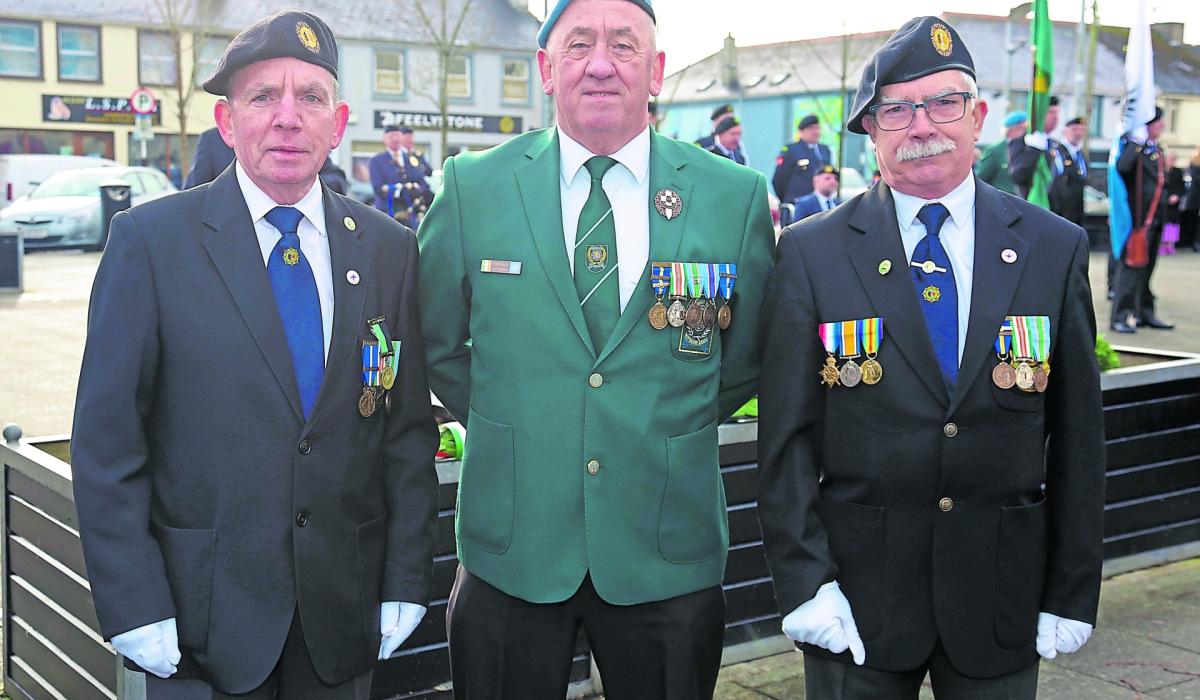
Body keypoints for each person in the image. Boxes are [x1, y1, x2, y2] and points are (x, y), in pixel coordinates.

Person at [70, 11, 439, 698]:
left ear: (339, 119)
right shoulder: (151, 244)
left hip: (341, 620)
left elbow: (406, 432)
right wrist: (133, 600)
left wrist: (406, 577)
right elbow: (107, 442)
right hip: (196, 628)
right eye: (264, 96)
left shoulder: (389, 250)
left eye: (311, 97)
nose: (288, 118)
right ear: (227, 120)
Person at [417, 0, 775, 697]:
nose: (602, 63)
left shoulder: (732, 197)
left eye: (624, 44)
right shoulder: (472, 186)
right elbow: (436, 342)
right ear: (547, 69)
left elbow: (750, 357)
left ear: (657, 71)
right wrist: (520, 414)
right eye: (579, 44)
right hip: (514, 547)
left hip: (664, 547)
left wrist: (659, 415)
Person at [758, 16, 1104, 700]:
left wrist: (1073, 586)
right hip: (855, 604)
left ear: (977, 116)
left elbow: (1078, 437)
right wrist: (804, 583)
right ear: (871, 132)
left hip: (999, 595)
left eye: (943, 102)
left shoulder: (1052, 247)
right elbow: (786, 441)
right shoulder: (811, 252)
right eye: (896, 110)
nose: (921, 124)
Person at [1111, 107, 1173, 333]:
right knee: (1130, 270)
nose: (1162, 126)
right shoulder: (1133, 146)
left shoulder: (1154, 149)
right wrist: (1136, 142)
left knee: (1147, 270)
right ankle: (1120, 316)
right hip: (1137, 220)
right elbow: (1122, 167)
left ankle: (1144, 312)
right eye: (1158, 122)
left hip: (1154, 220)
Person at [186, 124, 346, 193]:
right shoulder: (212, 140)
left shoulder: (299, 140)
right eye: (262, 98)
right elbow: (194, 195)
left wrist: (298, 186)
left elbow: (335, 179)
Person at [369, 125, 434, 225]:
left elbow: (422, 181)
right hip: (387, 213)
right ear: (385, 140)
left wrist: (419, 192)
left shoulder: (412, 158)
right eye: (391, 136)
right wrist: (404, 191)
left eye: (397, 136)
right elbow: (378, 188)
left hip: (412, 213)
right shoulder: (377, 161)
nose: (395, 139)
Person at [1009, 96, 1061, 200]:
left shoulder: (1055, 144)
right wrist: (1034, 148)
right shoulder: (1022, 141)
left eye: (1057, 113)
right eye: (1050, 112)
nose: (1055, 117)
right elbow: (1019, 176)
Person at [774, 114, 832, 204]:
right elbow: (779, 179)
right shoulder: (791, 150)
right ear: (801, 132)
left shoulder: (824, 150)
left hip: (820, 204)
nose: (816, 132)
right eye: (811, 129)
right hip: (797, 203)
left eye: (817, 128)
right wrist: (787, 200)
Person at [1047, 116, 1088, 227]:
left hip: (1077, 212)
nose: (1078, 133)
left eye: (1082, 130)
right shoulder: (1057, 153)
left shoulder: (1080, 155)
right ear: (1065, 131)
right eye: (1074, 129)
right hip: (1060, 212)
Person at [975, 111, 1024, 195]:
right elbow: (980, 179)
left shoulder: (1029, 149)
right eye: (1023, 129)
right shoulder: (996, 150)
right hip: (1005, 202)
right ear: (1013, 130)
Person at [1160, 152, 1184, 255]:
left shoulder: (1178, 172)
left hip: (1174, 203)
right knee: (1163, 222)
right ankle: (1162, 244)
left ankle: (1170, 244)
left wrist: (1177, 196)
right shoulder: (1160, 171)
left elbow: (1181, 187)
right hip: (1162, 201)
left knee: (1173, 223)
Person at [1181, 146, 1200, 251]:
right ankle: (1193, 242)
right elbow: (1197, 179)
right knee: (1193, 220)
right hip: (1196, 196)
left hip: (1196, 195)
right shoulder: (1194, 164)